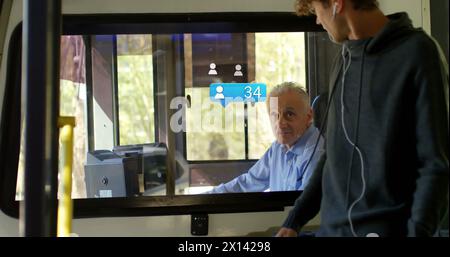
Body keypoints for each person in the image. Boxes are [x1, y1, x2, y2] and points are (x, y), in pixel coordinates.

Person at [276, 0, 449, 237]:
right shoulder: (342, 61)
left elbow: (434, 165)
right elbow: (333, 155)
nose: (317, 19)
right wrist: (293, 221)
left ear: (337, 3)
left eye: (317, 10)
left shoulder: (418, 53)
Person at [208, 82, 325, 193]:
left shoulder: (316, 154)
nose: (280, 123)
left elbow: (305, 208)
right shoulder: (278, 148)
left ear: (309, 117)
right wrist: (204, 198)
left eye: (289, 114)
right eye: (274, 115)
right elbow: (248, 183)